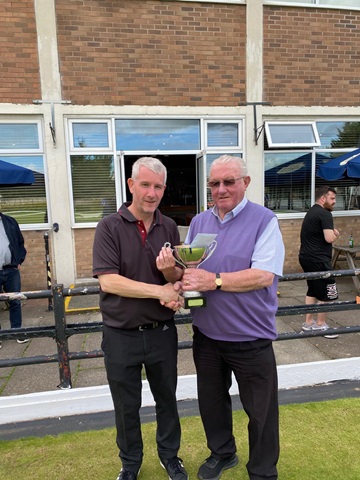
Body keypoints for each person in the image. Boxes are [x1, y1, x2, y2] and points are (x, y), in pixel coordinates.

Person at [176, 155, 285, 480]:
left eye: (228, 182)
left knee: (261, 414)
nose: (220, 189)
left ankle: (263, 472)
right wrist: (181, 282)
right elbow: (190, 269)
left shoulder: (265, 220)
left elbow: (264, 275)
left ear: (245, 183)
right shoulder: (198, 223)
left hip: (251, 339)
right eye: (214, 183)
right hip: (207, 336)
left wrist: (215, 281)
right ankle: (222, 454)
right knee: (211, 403)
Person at [92, 157, 188, 480]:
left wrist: (170, 277)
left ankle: (169, 456)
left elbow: (176, 275)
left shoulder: (169, 226)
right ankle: (130, 463)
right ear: (131, 185)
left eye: (158, 186)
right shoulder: (109, 227)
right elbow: (109, 281)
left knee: (167, 400)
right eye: (145, 185)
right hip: (121, 335)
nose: (151, 192)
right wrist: (159, 291)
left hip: (161, 332)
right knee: (126, 406)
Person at [299, 186, 339, 335]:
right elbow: (329, 238)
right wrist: (336, 235)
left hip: (306, 257)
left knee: (313, 290)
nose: (334, 202)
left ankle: (308, 323)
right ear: (323, 198)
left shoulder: (311, 212)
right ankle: (320, 325)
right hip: (319, 259)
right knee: (327, 292)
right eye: (332, 198)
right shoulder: (324, 214)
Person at [0, 212, 28, 348]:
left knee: (15, 301)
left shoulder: (10, 221)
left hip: (11, 269)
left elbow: (19, 241)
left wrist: (19, 259)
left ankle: (17, 332)